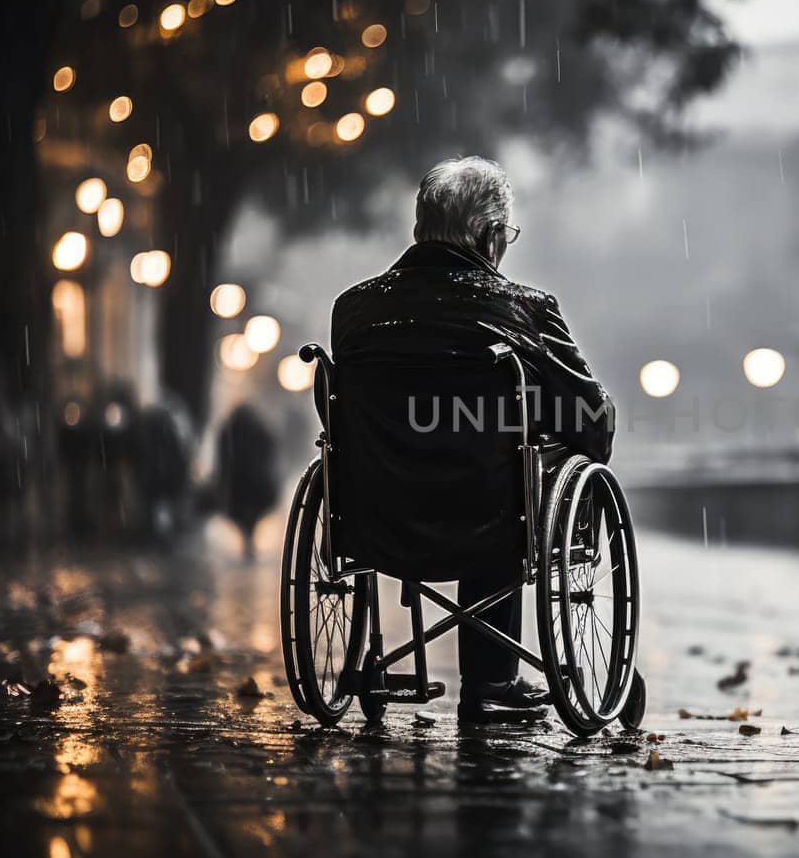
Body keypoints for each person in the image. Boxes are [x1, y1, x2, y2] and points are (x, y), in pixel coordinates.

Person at [329, 156, 614, 723]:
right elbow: (589, 420)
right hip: (487, 518)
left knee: (493, 471)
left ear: (419, 230)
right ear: (489, 235)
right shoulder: (524, 310)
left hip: (376, 517)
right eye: (504, 234)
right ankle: (489, 681)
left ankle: (383, 664)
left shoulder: (355, 309)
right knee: (510, 473)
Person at [215, 404, 278, 561]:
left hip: (239, 480)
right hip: (254, 478)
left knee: (242, 514)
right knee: (251, 515)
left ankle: (248, 541)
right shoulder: (259, 429)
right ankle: (249, 540)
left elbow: (222, 459)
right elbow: (270, 449)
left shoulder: (228, 431)